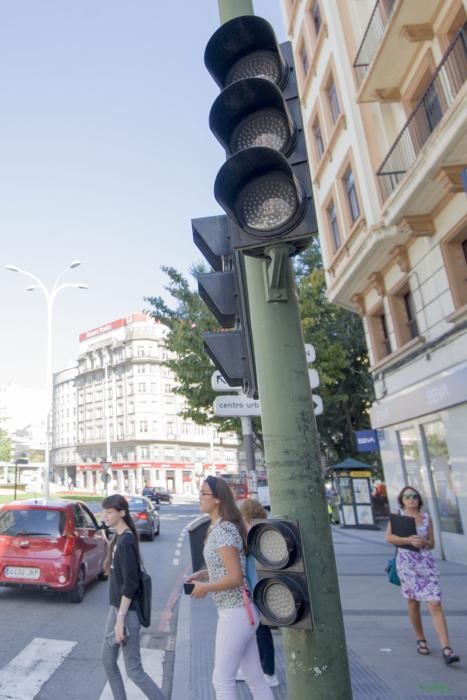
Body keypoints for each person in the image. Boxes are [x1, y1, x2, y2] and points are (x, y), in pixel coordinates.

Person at [186, 475, 274, 700]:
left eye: (203, 493)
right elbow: (233, 568)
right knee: (255, 678)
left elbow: (235, 577)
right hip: (243, 612)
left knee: (222, 680)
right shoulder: (222, 526)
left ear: (217, 499)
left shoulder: (223, 530)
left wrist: (205, 586)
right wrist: (206, 573)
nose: (200, 497)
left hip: (235, 613)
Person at [385, 486, 460, 665]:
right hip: (407, 564)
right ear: (402, 500)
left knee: (435, 602)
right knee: (413, 602)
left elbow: (432, 543)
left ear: (419, 499)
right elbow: (388, 538)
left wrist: (424, 542)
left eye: (414, 496)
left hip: (426, 564)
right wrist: (408, 540)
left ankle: (446, 648)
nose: (411, 499)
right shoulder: (398, 517)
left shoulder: (426, 518)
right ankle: (421, 639)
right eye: (407, 496)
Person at [101, 494, 166, 700]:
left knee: (134, 671)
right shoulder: (119, 538)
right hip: (117, 608)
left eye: (109, 512)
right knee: (108, 661)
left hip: (127, 612)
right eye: (104, 512)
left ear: (122, 513)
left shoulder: (126, 540)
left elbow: (130, 584)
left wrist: (120, 619)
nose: (105, 516)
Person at [238, 499, 279, 688]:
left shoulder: (253, 533)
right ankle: (255, 669)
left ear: (246, 516)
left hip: (257, 589)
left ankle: (269, 672)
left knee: (261, 632)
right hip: (260, 588)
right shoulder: (263, 531)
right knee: (255, 630)